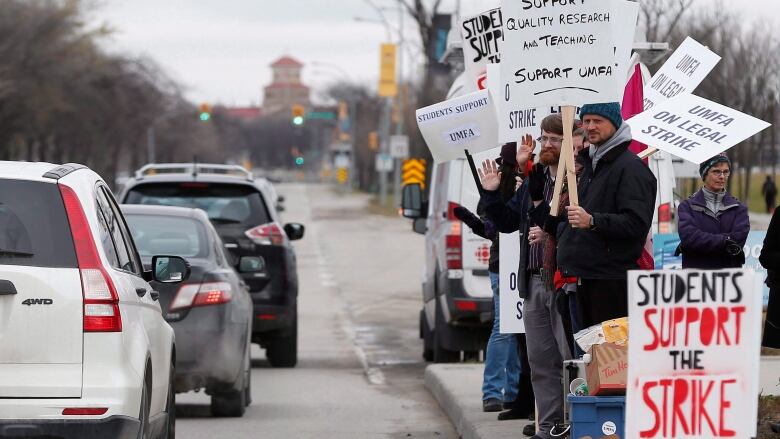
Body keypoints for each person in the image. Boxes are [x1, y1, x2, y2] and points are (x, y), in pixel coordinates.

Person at [478, 114, 574, 439]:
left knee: (569, 359)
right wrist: (492, 194)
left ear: (569, 144)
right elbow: (506, 223)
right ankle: (549, 428)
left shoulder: (573, 181)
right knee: (540, 361)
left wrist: (550, 235)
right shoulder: (534, 180)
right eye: (544, 138)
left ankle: (575, 423)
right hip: (533, 281)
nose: (547, 144)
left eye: (555, 139)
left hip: (562, 281)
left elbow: (576, 226)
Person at [554, 103, 657, 329]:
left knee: (612, 360)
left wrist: (592, 221)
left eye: (597, 121)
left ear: (614, 122)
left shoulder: (631, 169)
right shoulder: (590, 165)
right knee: (591, 361)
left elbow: (636, 224)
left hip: (611, 283)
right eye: (586, 121)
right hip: (584, 278)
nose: (590, 126)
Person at [454, 143, 525, 413]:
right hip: (502, 266)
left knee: (520, 331)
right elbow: (494, 230)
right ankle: (493, 392)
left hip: (528, 264)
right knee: (504, 328)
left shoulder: (529, 183)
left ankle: (514, 391)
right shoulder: (493, 188)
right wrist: (476, 221)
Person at [676, 154, 749, 269]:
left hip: (729, 279)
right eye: (716, 171)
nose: (722, 176)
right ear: (704, 174)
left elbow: (738, 239)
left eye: (726, 172)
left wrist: (702, 241)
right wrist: (725, 241)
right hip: (697, 279)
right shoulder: (687, 207)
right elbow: (689, 238)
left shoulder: (739, 208)